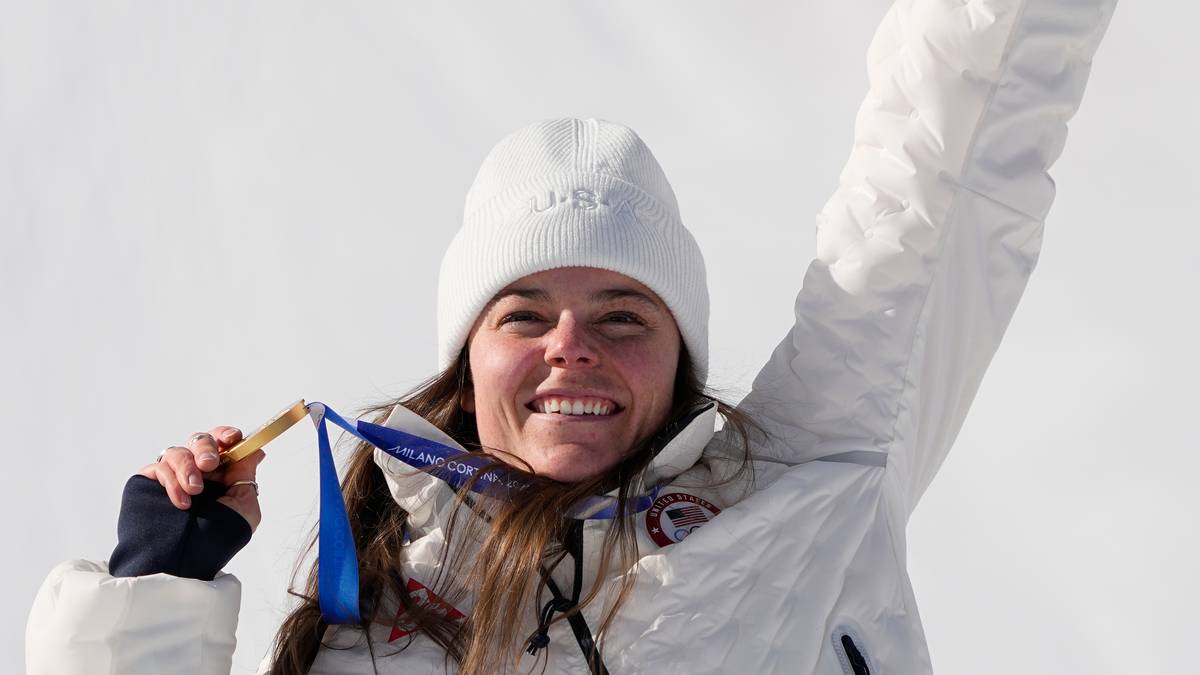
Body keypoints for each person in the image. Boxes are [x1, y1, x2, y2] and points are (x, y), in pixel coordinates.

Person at [26, 0, 1118, 673]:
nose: (571, 346)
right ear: (468, 357)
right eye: (524, 314)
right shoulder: (366, 624)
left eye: (621, 314)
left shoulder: (807, 486)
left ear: (680, 354)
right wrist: (155, 598)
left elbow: (946, 163)